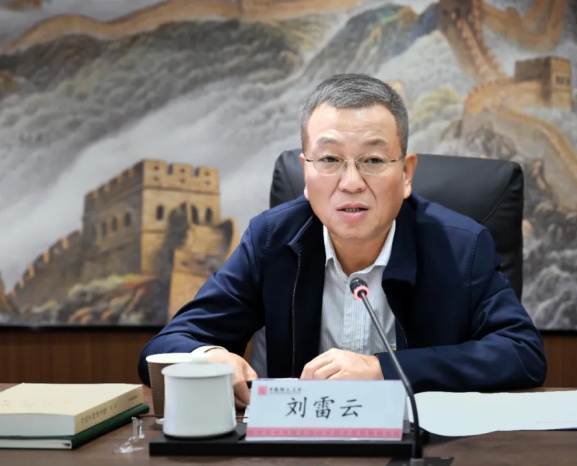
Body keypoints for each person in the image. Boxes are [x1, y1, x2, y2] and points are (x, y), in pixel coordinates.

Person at [138, 73, 546, 408]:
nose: (351, 183)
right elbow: (165, 347)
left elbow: (522, 354)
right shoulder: (271, 239)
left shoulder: (461, 246)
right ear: (306, 172)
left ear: (406, 173)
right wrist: (207, 356)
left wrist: (383, 369)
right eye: (330, 160)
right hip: (301, 447)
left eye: (373, 160)